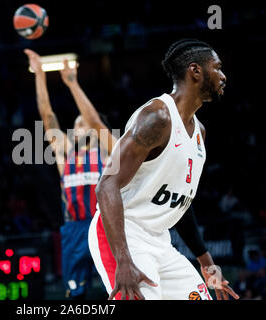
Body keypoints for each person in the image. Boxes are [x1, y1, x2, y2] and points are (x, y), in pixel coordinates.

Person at [88, 39, 239, 300]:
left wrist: (205, 260)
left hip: (159, 240)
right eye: (218, 68)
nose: (223, 76)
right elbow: (106, 185)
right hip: (124, 235)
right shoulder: (157, 117)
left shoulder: (199, 132)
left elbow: (179, 202)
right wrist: (123, 260)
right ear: (195, 70)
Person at [24, 49, 118, 299]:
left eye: (83, 123)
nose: (79, 127)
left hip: (105, 226)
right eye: (76, 124)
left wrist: (73, 84)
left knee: (118, 288)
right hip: (74, 229)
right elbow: (47, 115)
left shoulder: (109, 155)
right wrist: (39, 74)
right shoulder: (65, 155)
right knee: (75, 295)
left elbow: (94, 119)